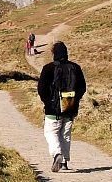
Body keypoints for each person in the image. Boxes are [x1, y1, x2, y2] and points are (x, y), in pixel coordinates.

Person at [37, 41, 86, 172]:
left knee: (51, 132)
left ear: (54, 53)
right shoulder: (75, 67)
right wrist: (74, 100)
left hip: (53, 108)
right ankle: (64, 163)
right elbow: (82, 88)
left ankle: (57, 154)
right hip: (70, 108)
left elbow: (42, 89)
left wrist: (48, 102)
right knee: (65, 134)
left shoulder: (48, 68)